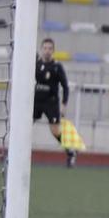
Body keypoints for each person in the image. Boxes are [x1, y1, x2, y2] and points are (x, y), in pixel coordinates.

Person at [33, 37, 76, 167]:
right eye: (45, 48)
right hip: (36, 101)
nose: (47, 51)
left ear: (53, 51)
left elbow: (65, 86)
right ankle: (12, 154)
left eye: (50, 48)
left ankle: (70, 152)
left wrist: (64, 104)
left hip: (51, 103)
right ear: (41, 50)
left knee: (55, 132)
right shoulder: (35, 63)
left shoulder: (57, 67)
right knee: (23, 127)